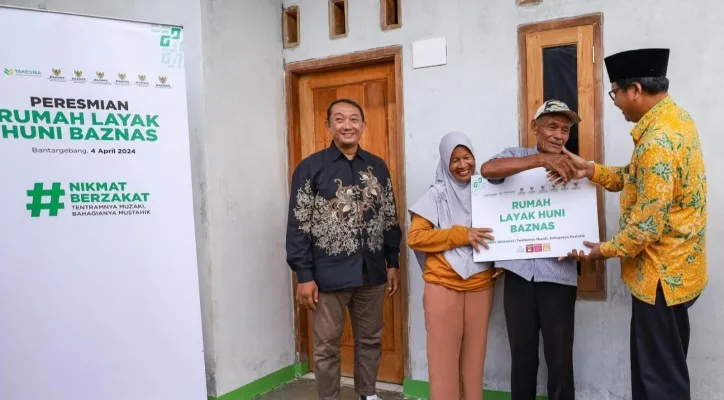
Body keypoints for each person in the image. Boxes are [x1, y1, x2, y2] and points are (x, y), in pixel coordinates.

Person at [561, 48, 707, 400]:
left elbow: (646, 228)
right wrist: (591, 170)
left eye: (616, 93)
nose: (615, 102)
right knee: (660, 368)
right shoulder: (677, 120)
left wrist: (600, 251)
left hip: (659, 278)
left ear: (636, 90)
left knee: (659, 381)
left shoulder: (656, 141)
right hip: (680, 272)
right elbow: (637, 177)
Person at [285, 98, 402, 400]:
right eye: (339, 119)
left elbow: (389, 216)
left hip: (372, 273)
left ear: (363, 125)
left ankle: (368, 394)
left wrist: (393, 262)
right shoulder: (310, 169)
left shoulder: (377, 167)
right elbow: (298, 223)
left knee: (371, 340)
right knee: (325, 348)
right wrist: (304, 275)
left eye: (353, 119)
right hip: (327, 276)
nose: (347, 125)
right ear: (329, 126)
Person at [479, 99, 582, 400]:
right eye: (552, 126)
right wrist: (540, 161)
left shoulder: (576, 166)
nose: (559, 135)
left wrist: (581, 246)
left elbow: (581, 218)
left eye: (565, 130)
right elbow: (488, 170)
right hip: (519, 277)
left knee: (560, 360)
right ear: (534, 127)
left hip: (559, 276)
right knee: (522, 357)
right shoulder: (515, 156)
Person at [408, 131, 503, 400]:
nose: (463, 165)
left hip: (480, 287)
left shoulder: (486, 191)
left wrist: (502, 260)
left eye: (467, 157)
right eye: (455, 159)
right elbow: (415, 237)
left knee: (474, 362)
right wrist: (462, 234)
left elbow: (502, 231)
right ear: (444, 163)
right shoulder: (435, 195)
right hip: (442, 286)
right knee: (442, 363)